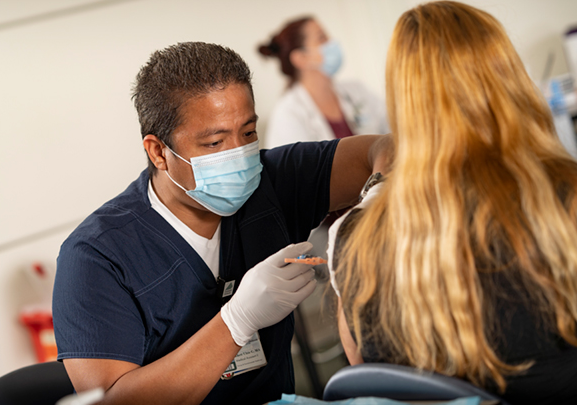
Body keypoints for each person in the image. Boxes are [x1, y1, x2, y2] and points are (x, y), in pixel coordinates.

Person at [52, 41, 391, 405]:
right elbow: (111, 402)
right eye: (214, 143)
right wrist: (236, 322)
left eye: (247, 133)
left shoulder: (274, 182)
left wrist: (379, 193)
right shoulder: (97, 257)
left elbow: (390, 149)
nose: (240, 155)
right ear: (158, 151)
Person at [328, 1, 577, 405]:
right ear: (509, 78)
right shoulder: (566, 198)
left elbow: (366, 377)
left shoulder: (352, 237)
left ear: (403, 101)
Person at [258, 16, 388, 149]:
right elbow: (294, 167)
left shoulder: (357, 90)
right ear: (301, 58)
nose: (332, 43)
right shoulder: (288, 114)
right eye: (322, 38)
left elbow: (395, 127)